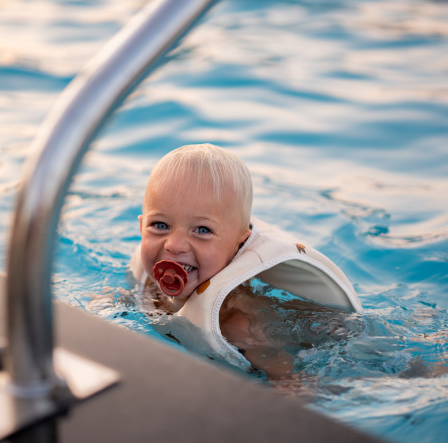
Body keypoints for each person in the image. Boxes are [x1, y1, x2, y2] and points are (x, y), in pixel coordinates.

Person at [131, 143, 361, 379]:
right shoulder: (147, 282)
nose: (174, 245)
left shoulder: (238, 325)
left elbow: (290, 382)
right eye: (160, 226)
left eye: (202, 229)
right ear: (141, 228)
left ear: (238, 245)